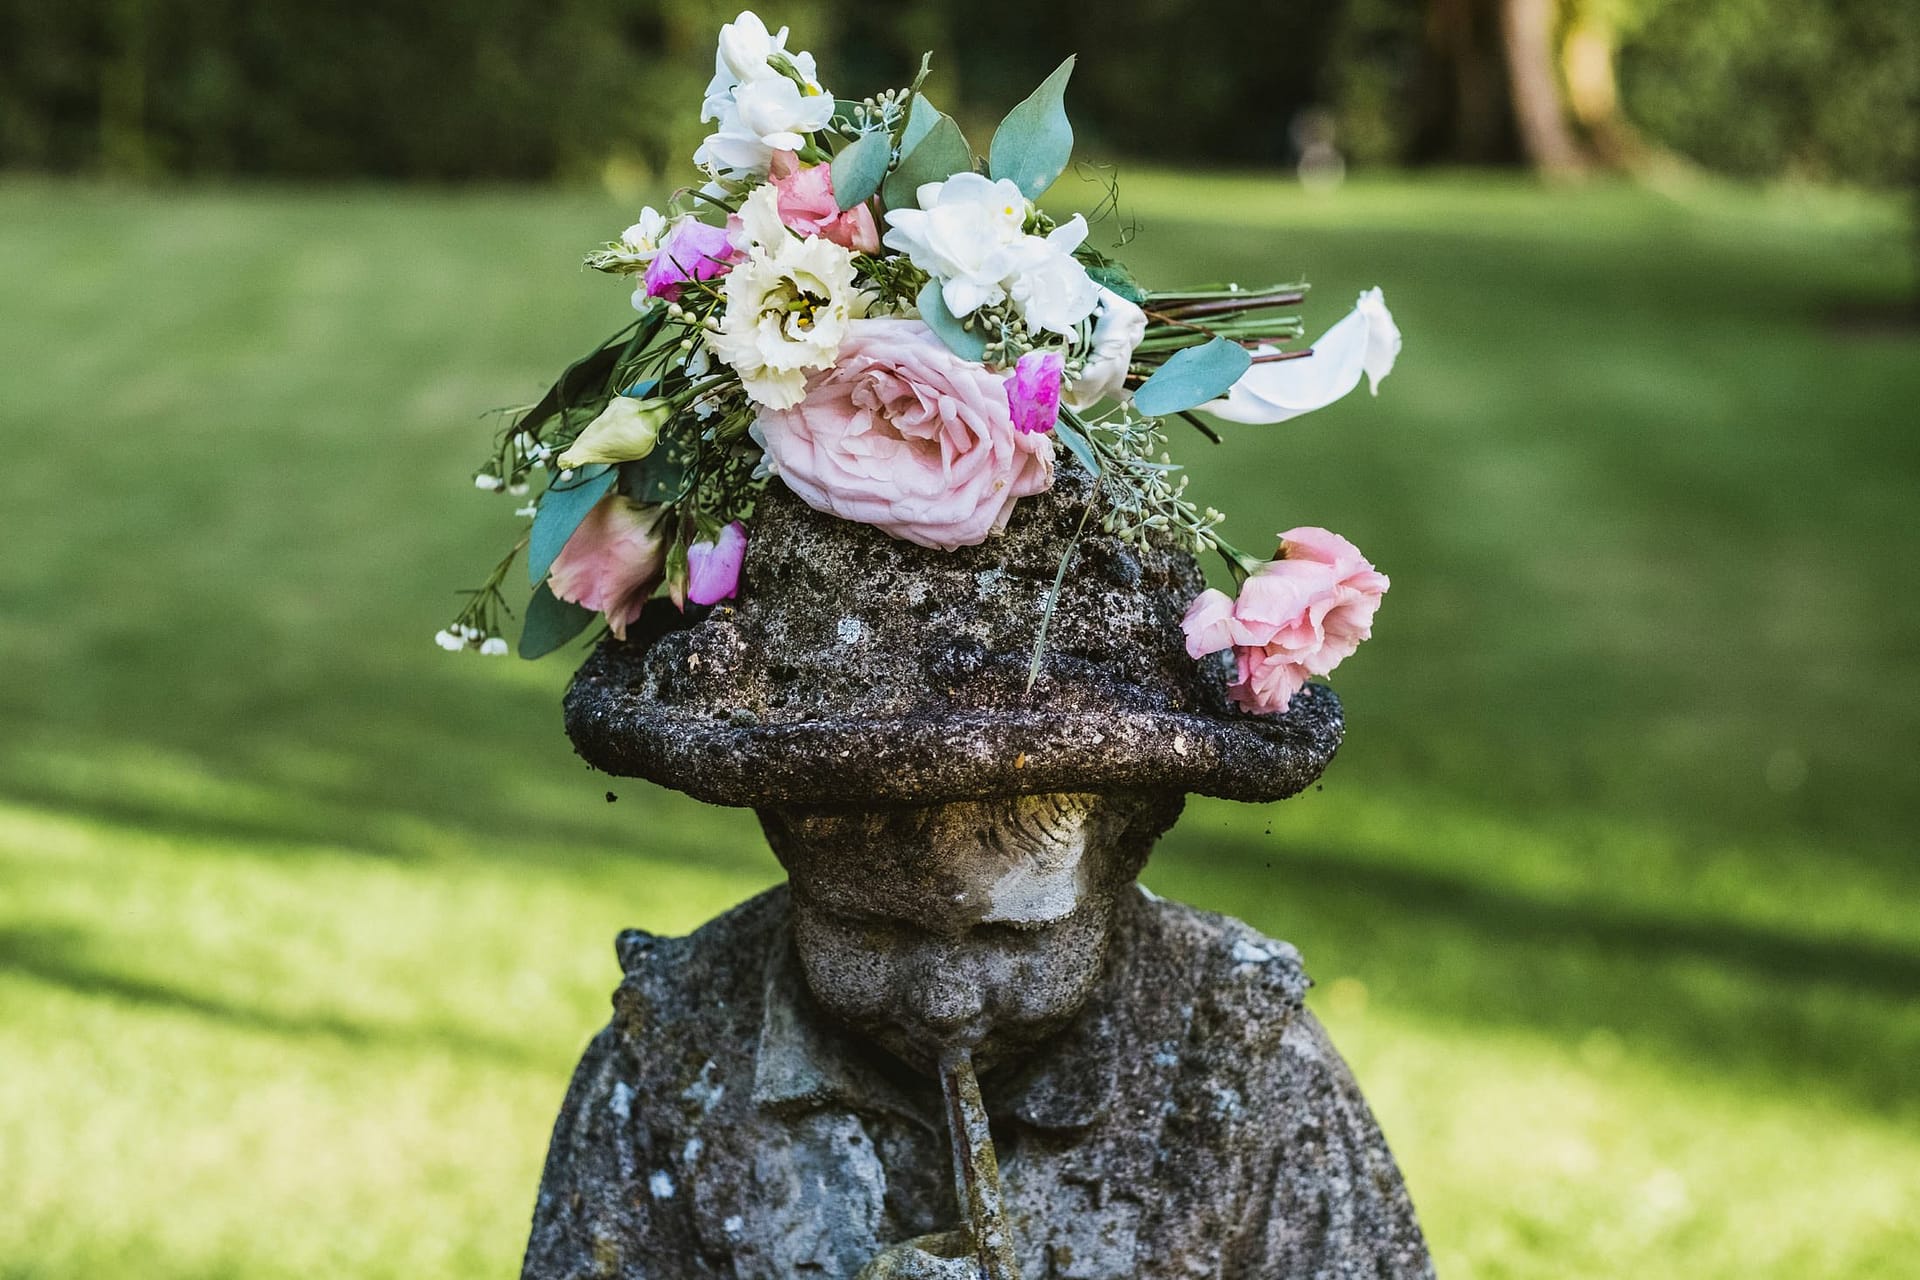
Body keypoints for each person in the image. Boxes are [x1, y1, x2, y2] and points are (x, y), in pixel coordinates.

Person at [520, 792, 1432, 1279]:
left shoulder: (1239, 1059)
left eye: (1014, 936)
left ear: (1121, 867)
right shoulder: (676, 1051)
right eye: (871, 932)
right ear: (784, 846)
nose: (949, 1003)